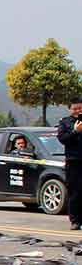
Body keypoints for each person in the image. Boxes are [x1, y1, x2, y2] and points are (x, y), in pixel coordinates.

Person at [58, 98, 82, 229]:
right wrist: (75, 131)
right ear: (70, 109)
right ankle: (75, 221)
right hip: (73, 162)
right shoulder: (65, 122)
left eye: (80, 108)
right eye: (75, 108)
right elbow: (62, 139)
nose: (78, 111)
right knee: (75, 191)